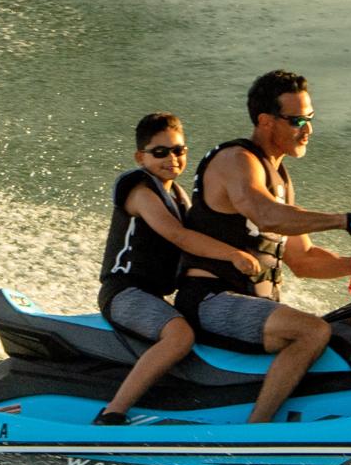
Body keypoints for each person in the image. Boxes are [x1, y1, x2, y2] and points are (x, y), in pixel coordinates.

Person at [176, 70, 351, 423]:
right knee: (312, 331)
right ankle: (256, 433)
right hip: (211, 300)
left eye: (310, 118)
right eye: (297, 121)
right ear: (266, 121)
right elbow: (265, 216)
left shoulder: (280, 178)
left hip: (253, 306)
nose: (308, 130)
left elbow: (304, 260)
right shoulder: (237, 160)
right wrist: (345, 220)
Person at [93, 113, 262, 426]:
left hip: (153, 297)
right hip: (124, 293)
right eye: (160, 152)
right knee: (180, 336)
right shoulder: (140, 191)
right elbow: (178, 236)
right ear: (140, 157)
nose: (171, 158)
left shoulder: (180, 197)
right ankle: (112, 413)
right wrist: (233, 255)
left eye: (178, 150)